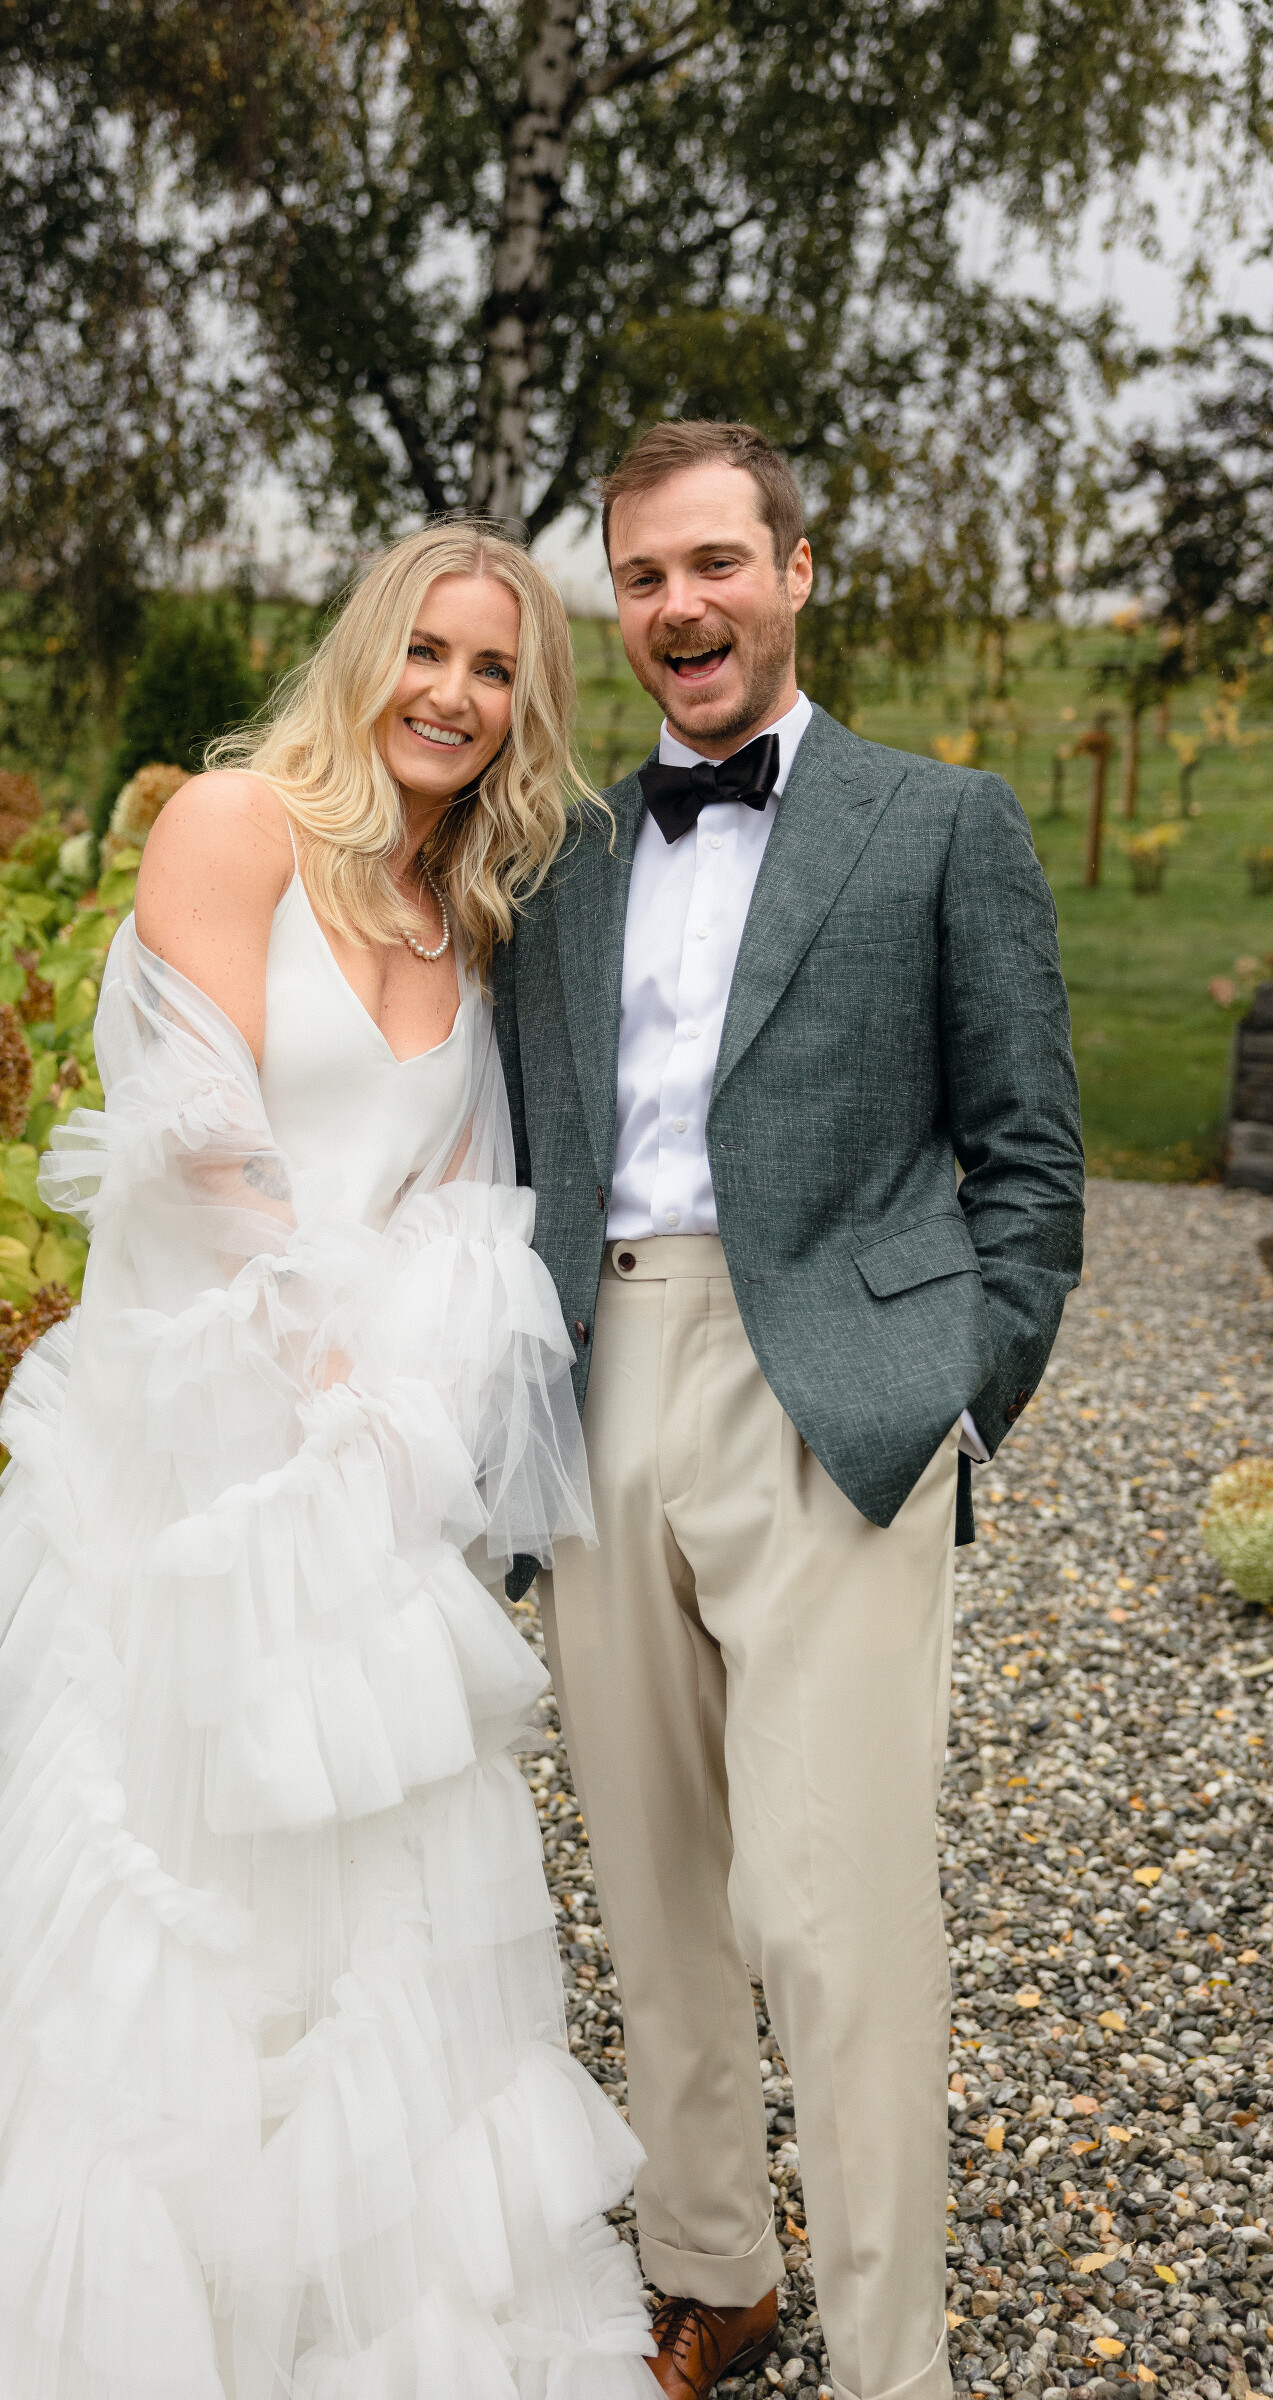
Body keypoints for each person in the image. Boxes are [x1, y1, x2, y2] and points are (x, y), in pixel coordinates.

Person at [0, 523, 661, 2400]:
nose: (452, 694)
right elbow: (202, 1134)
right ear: (365, 652)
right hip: (201, 1464)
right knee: (174, 1887)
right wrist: (328, 1388)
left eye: (495, 670)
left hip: (363, 1489)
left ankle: (349, 2328)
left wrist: (408, 1427)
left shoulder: (459, 909)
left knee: (372, 1904)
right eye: (426, 649)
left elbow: (458, 1199)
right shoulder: (232, 824)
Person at [492, 421, 1085, 2400]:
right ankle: (715, 2272)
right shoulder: (560, 856)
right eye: (643, 576)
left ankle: (895, 2364)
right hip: (599, 1381)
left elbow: (1030, 1158)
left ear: (797, 571)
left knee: (832, 1917)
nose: (681, 607)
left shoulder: (940, 822)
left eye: (716, 563)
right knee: (653, 1894)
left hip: (833, 1392)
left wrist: (954, 1391)